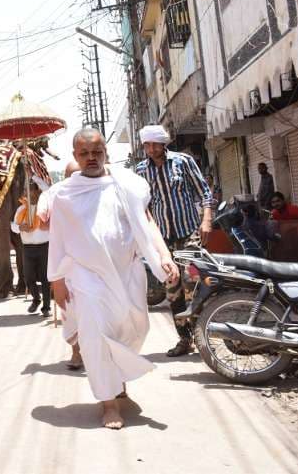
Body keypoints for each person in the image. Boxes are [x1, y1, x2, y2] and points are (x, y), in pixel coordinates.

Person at [48, 128, 178, 429]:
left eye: (97, 152)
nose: (91, 158)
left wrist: (164, 256)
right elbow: (58, 239)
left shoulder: (128, 184)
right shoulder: (65, 194)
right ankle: (108, 403)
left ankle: (117, 378)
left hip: (128, 272)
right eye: (84, 153)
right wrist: (56, 280)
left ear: (105, 151)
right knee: (94, 338)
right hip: (87, 277)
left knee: (134, 329)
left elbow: (147, 223)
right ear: (75, 156)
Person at [134, 125, 214, 357]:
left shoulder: (183, 161)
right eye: (146, 145)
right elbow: (142, 207)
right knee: (173, 290)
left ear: (164, 143)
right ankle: (184, 339)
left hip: (189, 233)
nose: (150, 149)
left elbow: (204, 193)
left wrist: (206, 220)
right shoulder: (141, 170)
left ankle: (203, 335)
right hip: (163, 241)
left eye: (154, 144)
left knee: (192, 284)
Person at [37, 160, 82, 369]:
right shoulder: (55, 194)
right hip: (67, 265)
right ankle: (77, 353)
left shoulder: (98, 190)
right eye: (71, 176)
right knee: (71, 310)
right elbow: (43, 222)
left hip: (96, 264)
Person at [11, 180, 51, 316]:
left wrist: (33, 173)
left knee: (45, 278)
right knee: (28, 277)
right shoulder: (21, 209)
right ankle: (36, 299)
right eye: (25, 191)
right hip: (27, 248)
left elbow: (48, 190)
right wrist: (20, 227)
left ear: (37, 191)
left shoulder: (44, 207)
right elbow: (13, 226)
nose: (26, 194)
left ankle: (46, 307)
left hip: (45, 246)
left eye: (30, 190)